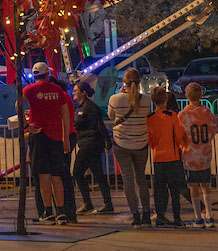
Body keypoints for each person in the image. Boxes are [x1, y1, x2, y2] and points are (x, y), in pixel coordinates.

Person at [24, 62, 72, 225]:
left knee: (43, 177)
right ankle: (61, 211)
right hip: (56, 137)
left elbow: (17, 105)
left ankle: (47, 211)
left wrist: (26, 126)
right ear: (47, 74)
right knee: (56, 176)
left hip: (38, 135)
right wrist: (66, 139)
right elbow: (65, 116)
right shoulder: (58, 91)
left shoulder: (29, 90)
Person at [108, 66, 152, 228]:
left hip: (122, 143)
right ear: (139, 82)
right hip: (141, 142)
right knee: (141, 179)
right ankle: (146, 214)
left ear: (124, 82)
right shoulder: (147, 100)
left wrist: (121, 93)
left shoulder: (115, 99)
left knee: (128, 179)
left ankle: (135, 216)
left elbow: (111, 116)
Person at [147, 84, 190, 227]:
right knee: (174, 189)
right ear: (166, 99)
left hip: (158, 157)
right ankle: (177, 218)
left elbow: (150, 141)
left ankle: (160, 216)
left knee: (160, 189)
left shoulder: (150, 119)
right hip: (172, 156)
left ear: (153, 100)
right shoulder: (173, 117)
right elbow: (179, 136)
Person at [179, 82, 217, 229]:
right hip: (205, 153)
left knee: (193, 186)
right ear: (201, 95)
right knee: (206, 185)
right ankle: (209, 215)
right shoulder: (207, 112)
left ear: (187, 96)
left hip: (190, 154)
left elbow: (180, 135)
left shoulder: (183, 115)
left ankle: (198, 217)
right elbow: (213, 131)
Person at [73, 79, 113, 215]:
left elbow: (99, 125)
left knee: (77, 172)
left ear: (83, 93)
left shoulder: (90, 108)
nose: (73, 93)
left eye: (76, 91)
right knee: (98, 174)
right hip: (88, 143)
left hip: (91, 144)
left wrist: (107, 141)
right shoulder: (81, 108)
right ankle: (107, 203)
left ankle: (88, 203)